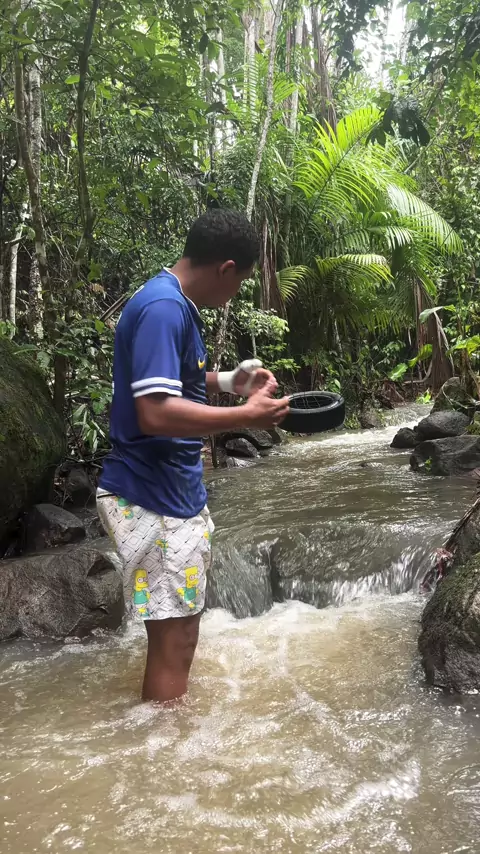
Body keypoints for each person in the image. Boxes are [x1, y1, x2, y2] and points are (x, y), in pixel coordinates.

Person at [97, 209, 289, 703]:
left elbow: (171, 380)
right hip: (150, 492)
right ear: (226, 268)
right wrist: (246, 416)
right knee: (175, 639)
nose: (234, 293)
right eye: (240, 283)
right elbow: (155, 412)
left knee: (177, 632)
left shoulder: (170, 302)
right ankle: (165, 743)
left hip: (165, 491)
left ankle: (164, 734)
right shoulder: (164, 308)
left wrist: (229, 382)